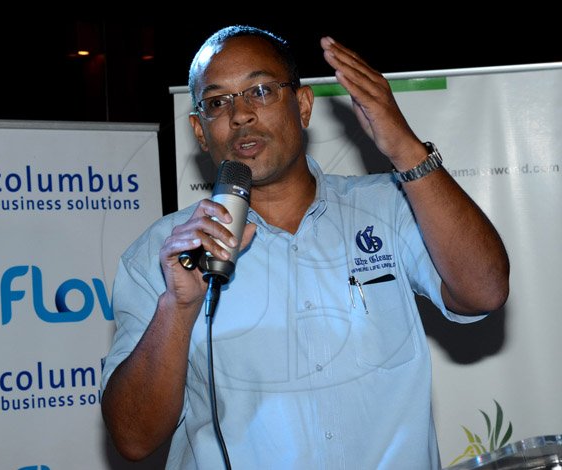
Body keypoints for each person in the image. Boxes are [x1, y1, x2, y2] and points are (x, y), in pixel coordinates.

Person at [100, 25, 510, 469]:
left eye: (259, 91)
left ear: (303, 105)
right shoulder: (165, 252)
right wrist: (177, 308)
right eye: (218, 102)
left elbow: (484, 291)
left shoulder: (389, 206)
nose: (240, 115)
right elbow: (133, 438)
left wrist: (406, 150)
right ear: (200, 131)